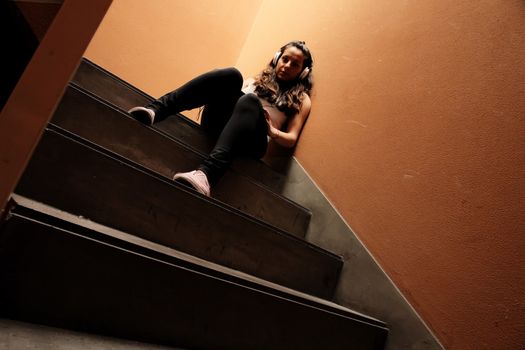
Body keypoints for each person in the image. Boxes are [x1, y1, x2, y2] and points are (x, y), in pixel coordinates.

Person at [128, 41, 313, 197]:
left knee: (249, 100)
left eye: (295, 64)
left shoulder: (301, 99)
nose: (287, 65)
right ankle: (155, 110)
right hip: (220, 124)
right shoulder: (255, 81)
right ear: (277, 58)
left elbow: (291, 139)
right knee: (232, 75)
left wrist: (272, 131)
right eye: (285, 59)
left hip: (252, 143)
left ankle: (206, 175)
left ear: (303, 72)